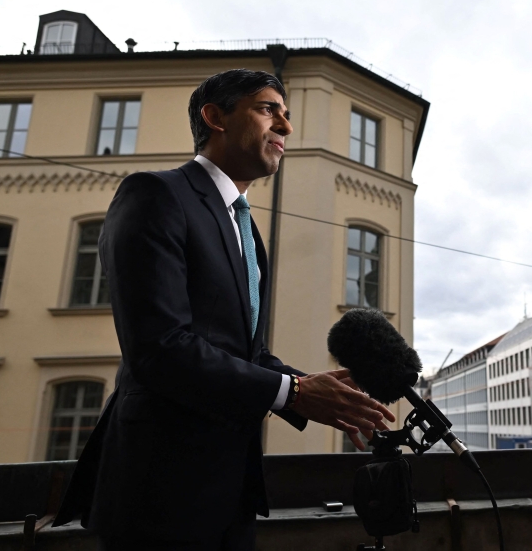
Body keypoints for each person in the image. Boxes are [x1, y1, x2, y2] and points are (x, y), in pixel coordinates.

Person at [53, 69, 395, 550]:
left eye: (287, 114)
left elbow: (242, 353)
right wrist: (293, 392)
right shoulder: (155, 194)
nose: (286, 127)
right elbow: (160, 349)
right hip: (159, 495)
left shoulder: (248, 231)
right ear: (214, 117)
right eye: (267, 109)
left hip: (230, 491)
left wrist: (319, 391)